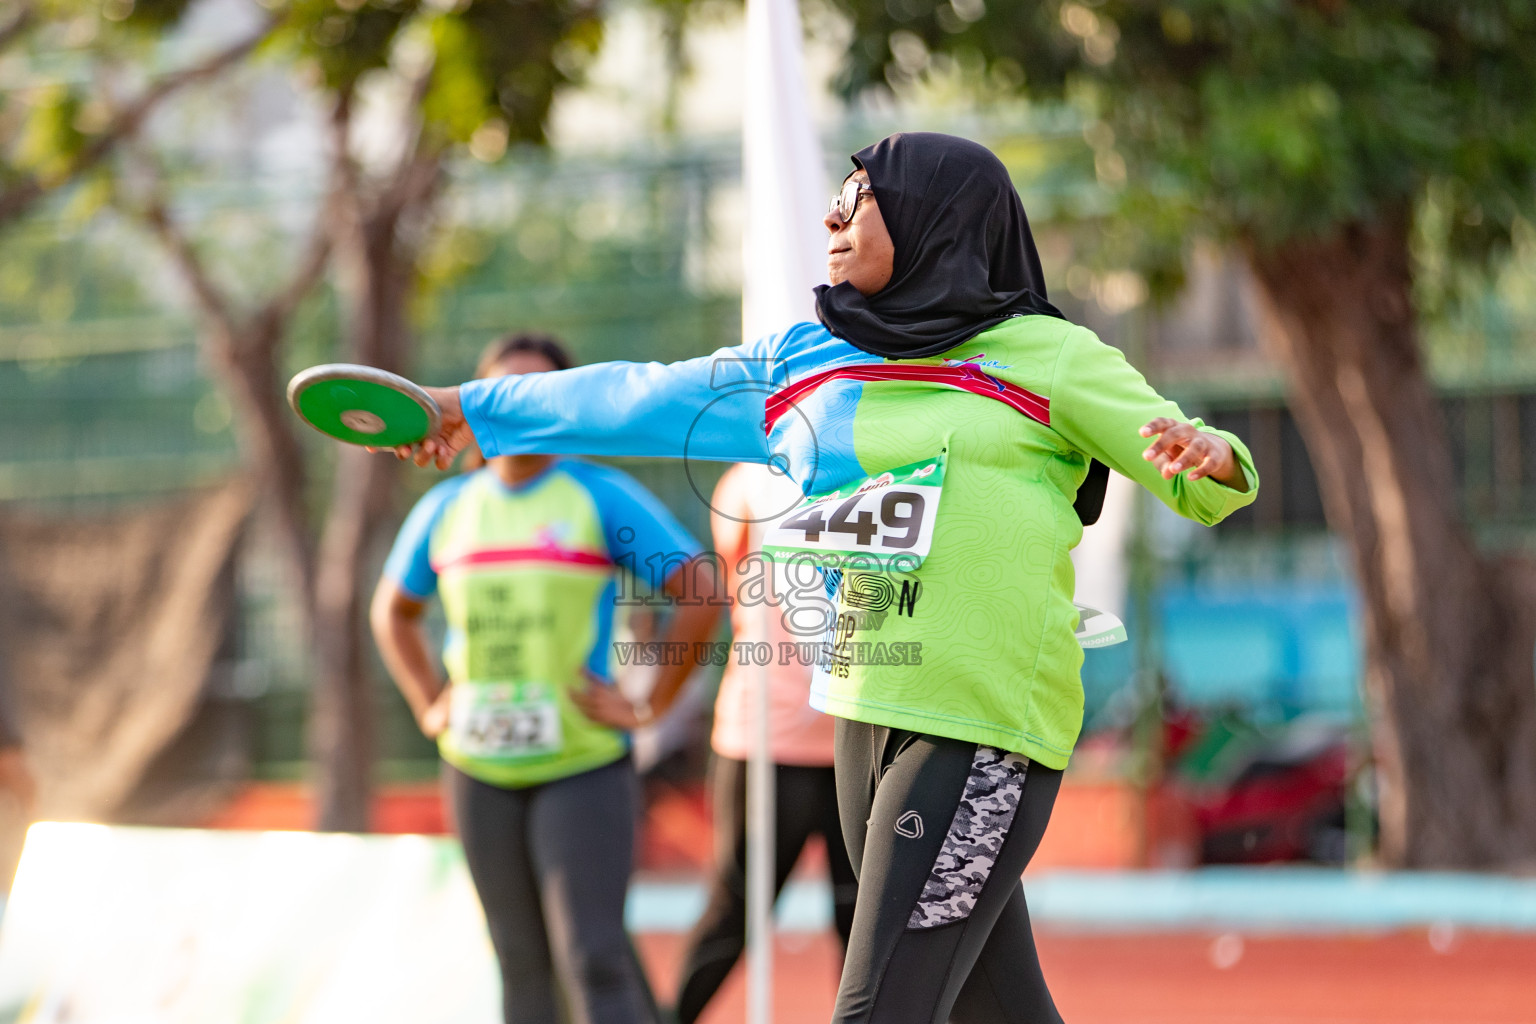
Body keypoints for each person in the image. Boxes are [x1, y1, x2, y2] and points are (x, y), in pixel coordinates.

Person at [389, 133, 1259, 1024]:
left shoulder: (1049, 356)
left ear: (932, 217)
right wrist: (473, 409)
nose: (833, 217)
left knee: (876, 1010)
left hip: (983, 729)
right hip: (861, 710)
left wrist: (1210, 456)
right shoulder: (810, 360)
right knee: (999, 1010)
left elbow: (1195, 472)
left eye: (861, 198)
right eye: (833, 199)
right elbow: (636, 393)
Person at [370, 333, 722, 1024]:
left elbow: (702, 593)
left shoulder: (598, 497)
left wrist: (648, 705)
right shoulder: (447, 510)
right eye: (506, 394)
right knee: (518, 964)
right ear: (478, 406)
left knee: (593, 958)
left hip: (582, 768)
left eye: (540, 396)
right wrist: (428, 702)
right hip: (477, 769)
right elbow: (393, 613)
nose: (522, 410)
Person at [672, 462, 857, 1024]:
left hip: (865, 734)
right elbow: (737, 587)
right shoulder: (749, 480)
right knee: (736, 906)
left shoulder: (885, 460)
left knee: (867, 919)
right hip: (766, 734)